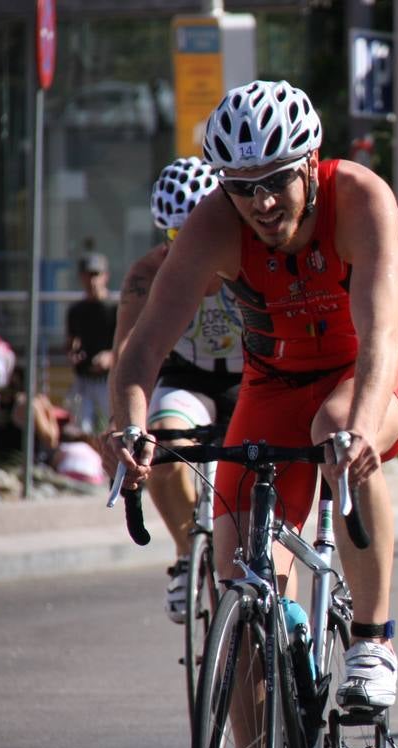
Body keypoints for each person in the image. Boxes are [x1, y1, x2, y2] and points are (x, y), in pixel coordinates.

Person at [101, 79, 398, 748]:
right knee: (241, 593)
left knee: (339, 437)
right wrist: (130, 430)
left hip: (376, 367)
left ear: (309, 166)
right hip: (275, 385)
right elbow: (143, 350)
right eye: (241, 187)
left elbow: (384, 336)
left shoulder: (359, 198)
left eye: (275, 181)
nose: (258, 203)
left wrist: (359, 421)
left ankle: (373, 640)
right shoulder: (215, 225)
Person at [110, 156, 243, 624]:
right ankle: (189, 555)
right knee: (165, 448)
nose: (185, 250)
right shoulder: (148, 274)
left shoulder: (247, 259)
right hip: (189, 377)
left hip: (253, 376)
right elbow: (126, 355)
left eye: (195, 235)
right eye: (173, 238)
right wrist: (125, 426)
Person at [66, 251, 117, 434]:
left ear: (105, 276)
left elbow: (128, 342)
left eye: (96, 274)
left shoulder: (115, 307)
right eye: (87, 275)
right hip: (84, 377)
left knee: (112, 428)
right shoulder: (77, 310)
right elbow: (72, 341)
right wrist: (73, 354)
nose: (91, 280)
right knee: (82, 430)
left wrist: (111, 356)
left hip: (108, 379)